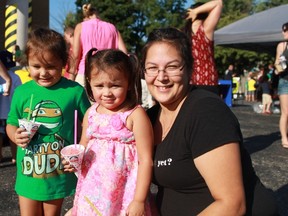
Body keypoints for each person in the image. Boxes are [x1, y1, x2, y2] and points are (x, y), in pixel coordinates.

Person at [142, 27, 278, 215]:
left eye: (172, 67)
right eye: (152, 68)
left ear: (189, 69)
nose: (161, 77)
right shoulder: (149, 118)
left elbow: (232, 205)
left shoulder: (206, 112)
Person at [6, 28, 91, 216]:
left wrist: (81, 149)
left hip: (58, 174)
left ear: (63, 62)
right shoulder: (22, 92)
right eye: (36, 66)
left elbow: (91, 122)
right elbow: (11, 122)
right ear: (27, 62)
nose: (43, 73)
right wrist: (15, 135)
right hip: (28, 174)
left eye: (51, 66)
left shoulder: (74, 91)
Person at [63, 48, 154, 215]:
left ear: (128, 83)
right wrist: (74, 160)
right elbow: (83, 147)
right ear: (89, 82)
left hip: (124, 193)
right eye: (99, 85)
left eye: (115, 85)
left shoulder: (135, 115)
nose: (107, 93)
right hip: (92, 190)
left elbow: (146, 160)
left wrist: (139, 200)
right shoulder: (91, 113)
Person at [69, 3, 128, 86]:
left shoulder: (80, 27)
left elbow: (75, 56)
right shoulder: (112, 28)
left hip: (85, 73)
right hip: (109, 73)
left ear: (86, 16)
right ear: (97, 14)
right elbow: (124, 54)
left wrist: (71, 77)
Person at [184, 0, 222, 94]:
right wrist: (196, 11)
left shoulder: (183, 35)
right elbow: (218, 3)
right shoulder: (205, 30)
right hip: (208, 81)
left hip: (188, 82)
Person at [0, 69, 21, 163]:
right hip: (11, 110)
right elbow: (19, 93)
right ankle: (15, 156)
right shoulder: (15, 77)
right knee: (13, 135)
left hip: (1, 111)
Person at [275, 22, 288, 148]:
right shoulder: (282, 45)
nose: (283, 33)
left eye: (285, 30)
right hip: (285, 81)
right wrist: (279, 67)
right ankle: (284, 138)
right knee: (285, 112)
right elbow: (276, 63)